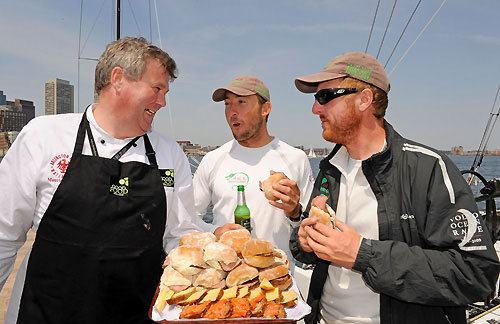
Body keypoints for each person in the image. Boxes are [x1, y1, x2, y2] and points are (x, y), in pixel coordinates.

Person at [289, 52, 500, 324]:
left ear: (364, 99)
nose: (316, 109)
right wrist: (305, 242)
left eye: (325, 97)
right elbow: (311, 250)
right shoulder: (330, 169)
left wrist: (362, 254)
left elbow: (476, 275)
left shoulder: (428, 169)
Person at [0, 37, 199, 324]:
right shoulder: (44, 136)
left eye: (165, 92)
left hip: (138, 312)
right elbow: (4, 233)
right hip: (47, 309)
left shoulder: (170, 155)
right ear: (118, 78)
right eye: (156, 89)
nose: (163, 102)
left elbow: (179, 236)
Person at [193, 75, 314, 266]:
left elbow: (311, 228)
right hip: (227, 279)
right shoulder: (212, 160)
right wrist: (215, 231)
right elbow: (189, 219)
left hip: (278, 279)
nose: (232, 111)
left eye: (241, 102)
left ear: (265, 109)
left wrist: (295, 212)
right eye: (227, 104)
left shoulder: (295, 158)